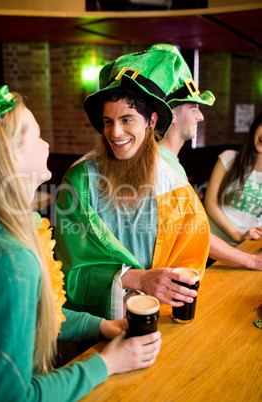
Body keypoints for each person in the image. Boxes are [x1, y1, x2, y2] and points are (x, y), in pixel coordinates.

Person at [0, 82, 162, 402]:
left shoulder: (24, 227)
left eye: (127, 119)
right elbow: (12, 395)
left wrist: (100, 327)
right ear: (10, 153)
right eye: (38, 136)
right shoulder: (12, 258)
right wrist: (106, 363)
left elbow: (43, 312)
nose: (46, 145)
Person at [55, 44, 210, 320]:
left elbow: (191, 256)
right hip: (95, 327)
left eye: (127, 119)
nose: (115, 133)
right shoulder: (79, 181)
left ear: (151, 121)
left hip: (158, 320)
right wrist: (137, 280)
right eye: (107, 121)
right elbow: (71, 270)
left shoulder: (173, 183)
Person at [158, 56, 262, 269]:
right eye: (195, 108)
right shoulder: (162, 165)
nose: (201, 117)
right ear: (172, 114)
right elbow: (194, 229)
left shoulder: (170, 164)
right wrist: (249, 258)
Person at [204, 111, 262, 247]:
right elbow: (210, 204)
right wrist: (238, 236)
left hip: (248, 248)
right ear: (255, 127)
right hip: (212, 244)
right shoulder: (229, 158)